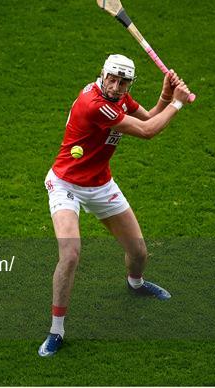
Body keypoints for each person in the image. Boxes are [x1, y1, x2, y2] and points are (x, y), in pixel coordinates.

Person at [39, 54, 192, 357]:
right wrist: (177, 103)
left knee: (138, 252)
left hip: (100, 184)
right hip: (66, 184)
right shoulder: (94, 104)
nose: (117, 85)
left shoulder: (119, 97)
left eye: (124, 82)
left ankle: (135, 284)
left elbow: (147, 118)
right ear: (103, 74)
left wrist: (164, 97)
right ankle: (56, 330)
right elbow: (148, 132)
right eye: (113, 78)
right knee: (70, 254)